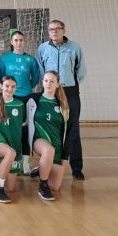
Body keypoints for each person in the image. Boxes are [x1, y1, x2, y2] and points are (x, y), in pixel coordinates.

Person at [36, 20, 86, 180]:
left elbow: (81, 71)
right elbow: (41, 70)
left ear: (64, 30)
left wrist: (67, 84)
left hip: (70, 92)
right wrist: (51, 85)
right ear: (48, 31)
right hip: (50, 92)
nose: (54, 31)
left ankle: (76, 168)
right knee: (50, 128)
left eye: (58, 29)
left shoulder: (74, 47)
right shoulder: (42, 48)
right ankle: (45, 165)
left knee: (73, 129)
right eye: (51, 29)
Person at [0, 30, 40, 175]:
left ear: (24, 41)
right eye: (16, 40)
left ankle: (26, 162)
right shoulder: (5, 58)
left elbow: (35, 78)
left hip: (25, 98)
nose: (18, 43)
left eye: (21, 40)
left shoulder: (30, 60)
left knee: (25, 130)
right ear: (11, 42)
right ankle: (10, 159)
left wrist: (25, 87)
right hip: (9, 98)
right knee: (10, 128)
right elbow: (2, 77)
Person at [29, 71, 72, 201]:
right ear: (42, 82)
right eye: (46, 80)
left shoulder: (63, 104)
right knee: (48, 150)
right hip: (39, 140)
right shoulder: (33, 99)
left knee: (55, 187)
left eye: (52, 81)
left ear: (58, 84)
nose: (48, 84)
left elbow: (69, 132)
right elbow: (12, 98)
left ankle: (42, 168)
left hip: (57, 145)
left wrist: (65, 156)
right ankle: (42, 186)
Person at [0, 76, 26, 203]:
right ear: (1, 86)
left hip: (14, 144)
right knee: (10, 153)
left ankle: (1, 174)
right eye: (7, 86)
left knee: (11, 188)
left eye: (13, 86)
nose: (9, 89)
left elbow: (22, 127)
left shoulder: (20, 104)